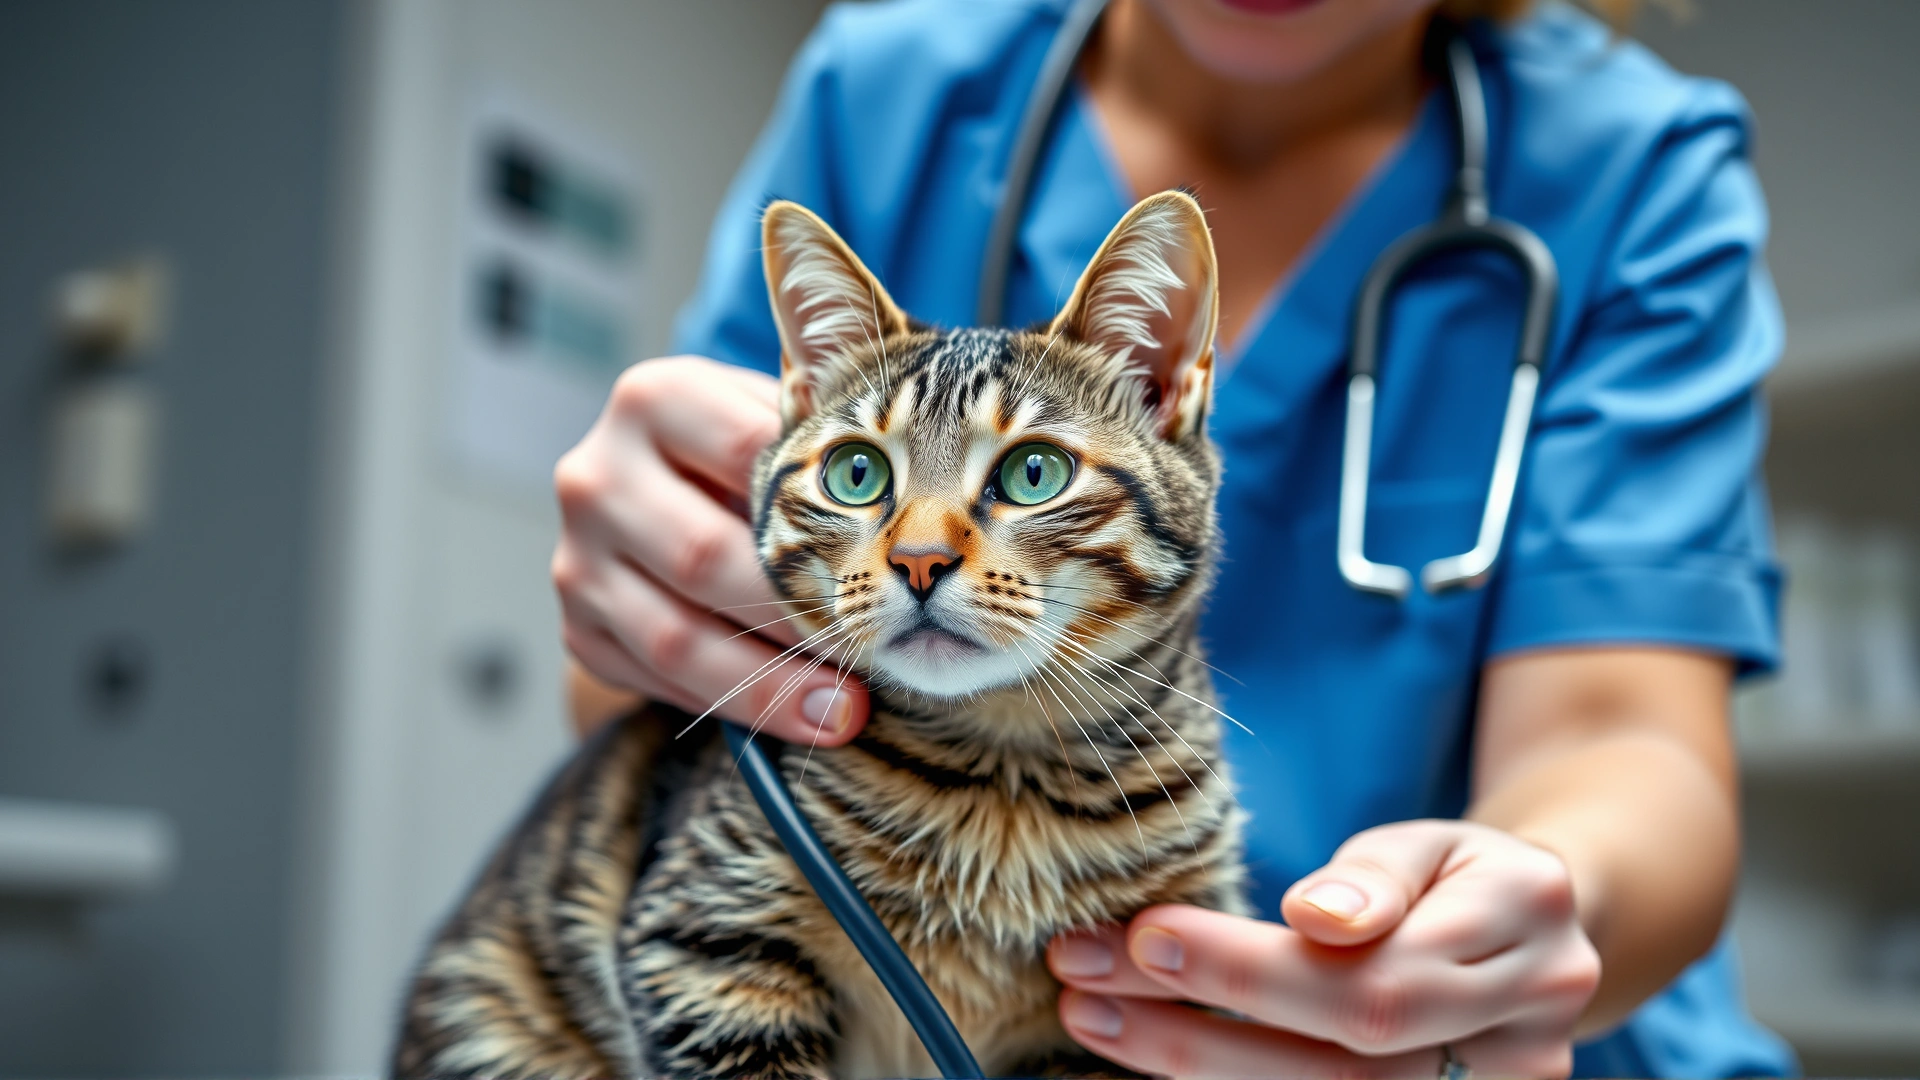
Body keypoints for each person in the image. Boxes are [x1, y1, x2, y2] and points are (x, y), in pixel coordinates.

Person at [549, 0, 1795, 1075]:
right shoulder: (890, 91)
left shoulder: (1631, 166)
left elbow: (1625, 742)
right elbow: (638, 713)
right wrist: (640, 601)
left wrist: (1490, 942)